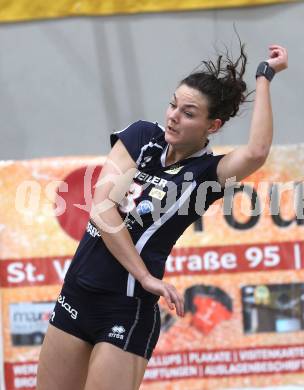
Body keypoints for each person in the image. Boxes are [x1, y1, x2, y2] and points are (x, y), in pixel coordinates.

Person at [36, 39, 288, 390]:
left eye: (188, 113)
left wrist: (265, 77)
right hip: (76, 294)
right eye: (173, 105)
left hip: (126, 309)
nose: (173, 116)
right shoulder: (142, 137)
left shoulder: (207, 174)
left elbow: (258, 152)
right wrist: (145, 275)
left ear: (212, 126)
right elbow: (102, 209)